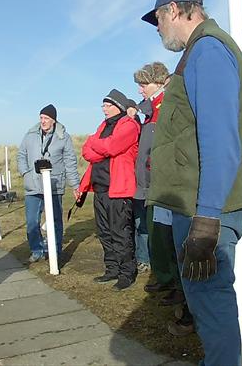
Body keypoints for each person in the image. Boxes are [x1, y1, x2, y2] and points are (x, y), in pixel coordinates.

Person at [142, 0, 242, 365]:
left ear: (174, 10)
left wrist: (206, 220)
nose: (157, 29)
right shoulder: (198, 53)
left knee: (211, 300)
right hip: (194, 208)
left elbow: (221, 140)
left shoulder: (208, 51)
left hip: (204, 211)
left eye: (157, 19)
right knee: (206, 301)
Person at [132, 62, 184, 307]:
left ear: (159, 82)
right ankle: (165, 277)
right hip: (153, 182)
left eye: (144, 85)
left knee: (169, 235)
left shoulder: (165, 105)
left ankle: (177, 284)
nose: (140, 90)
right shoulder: (150, 111)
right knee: (158, 234)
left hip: (165, 182)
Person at [79, 89, 140, 290]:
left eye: (107, 105)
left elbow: (111, 147)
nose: (104, 109)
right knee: (104, 232)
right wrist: (99, 147)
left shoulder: (129, 126)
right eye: (103, 105)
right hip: (101, 188)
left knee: (120, 233)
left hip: (119, 189)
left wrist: (95, 143)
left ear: (118, 106)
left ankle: (126, 273)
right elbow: (87, 152)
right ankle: (112, 269)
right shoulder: (103, 126)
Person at [17, 104, 81, 263]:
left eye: (46, 118)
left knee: (55, 221)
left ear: (53, 120)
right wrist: (26, 173)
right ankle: (37, 250)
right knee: (32, 221)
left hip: (54, 185)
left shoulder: (63, 137)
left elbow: (70, 162)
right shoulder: (30, 134)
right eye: (41, 118)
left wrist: (75, 185)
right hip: (32, 185)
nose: (43, 121)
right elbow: (21, 155)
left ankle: (56, 251)